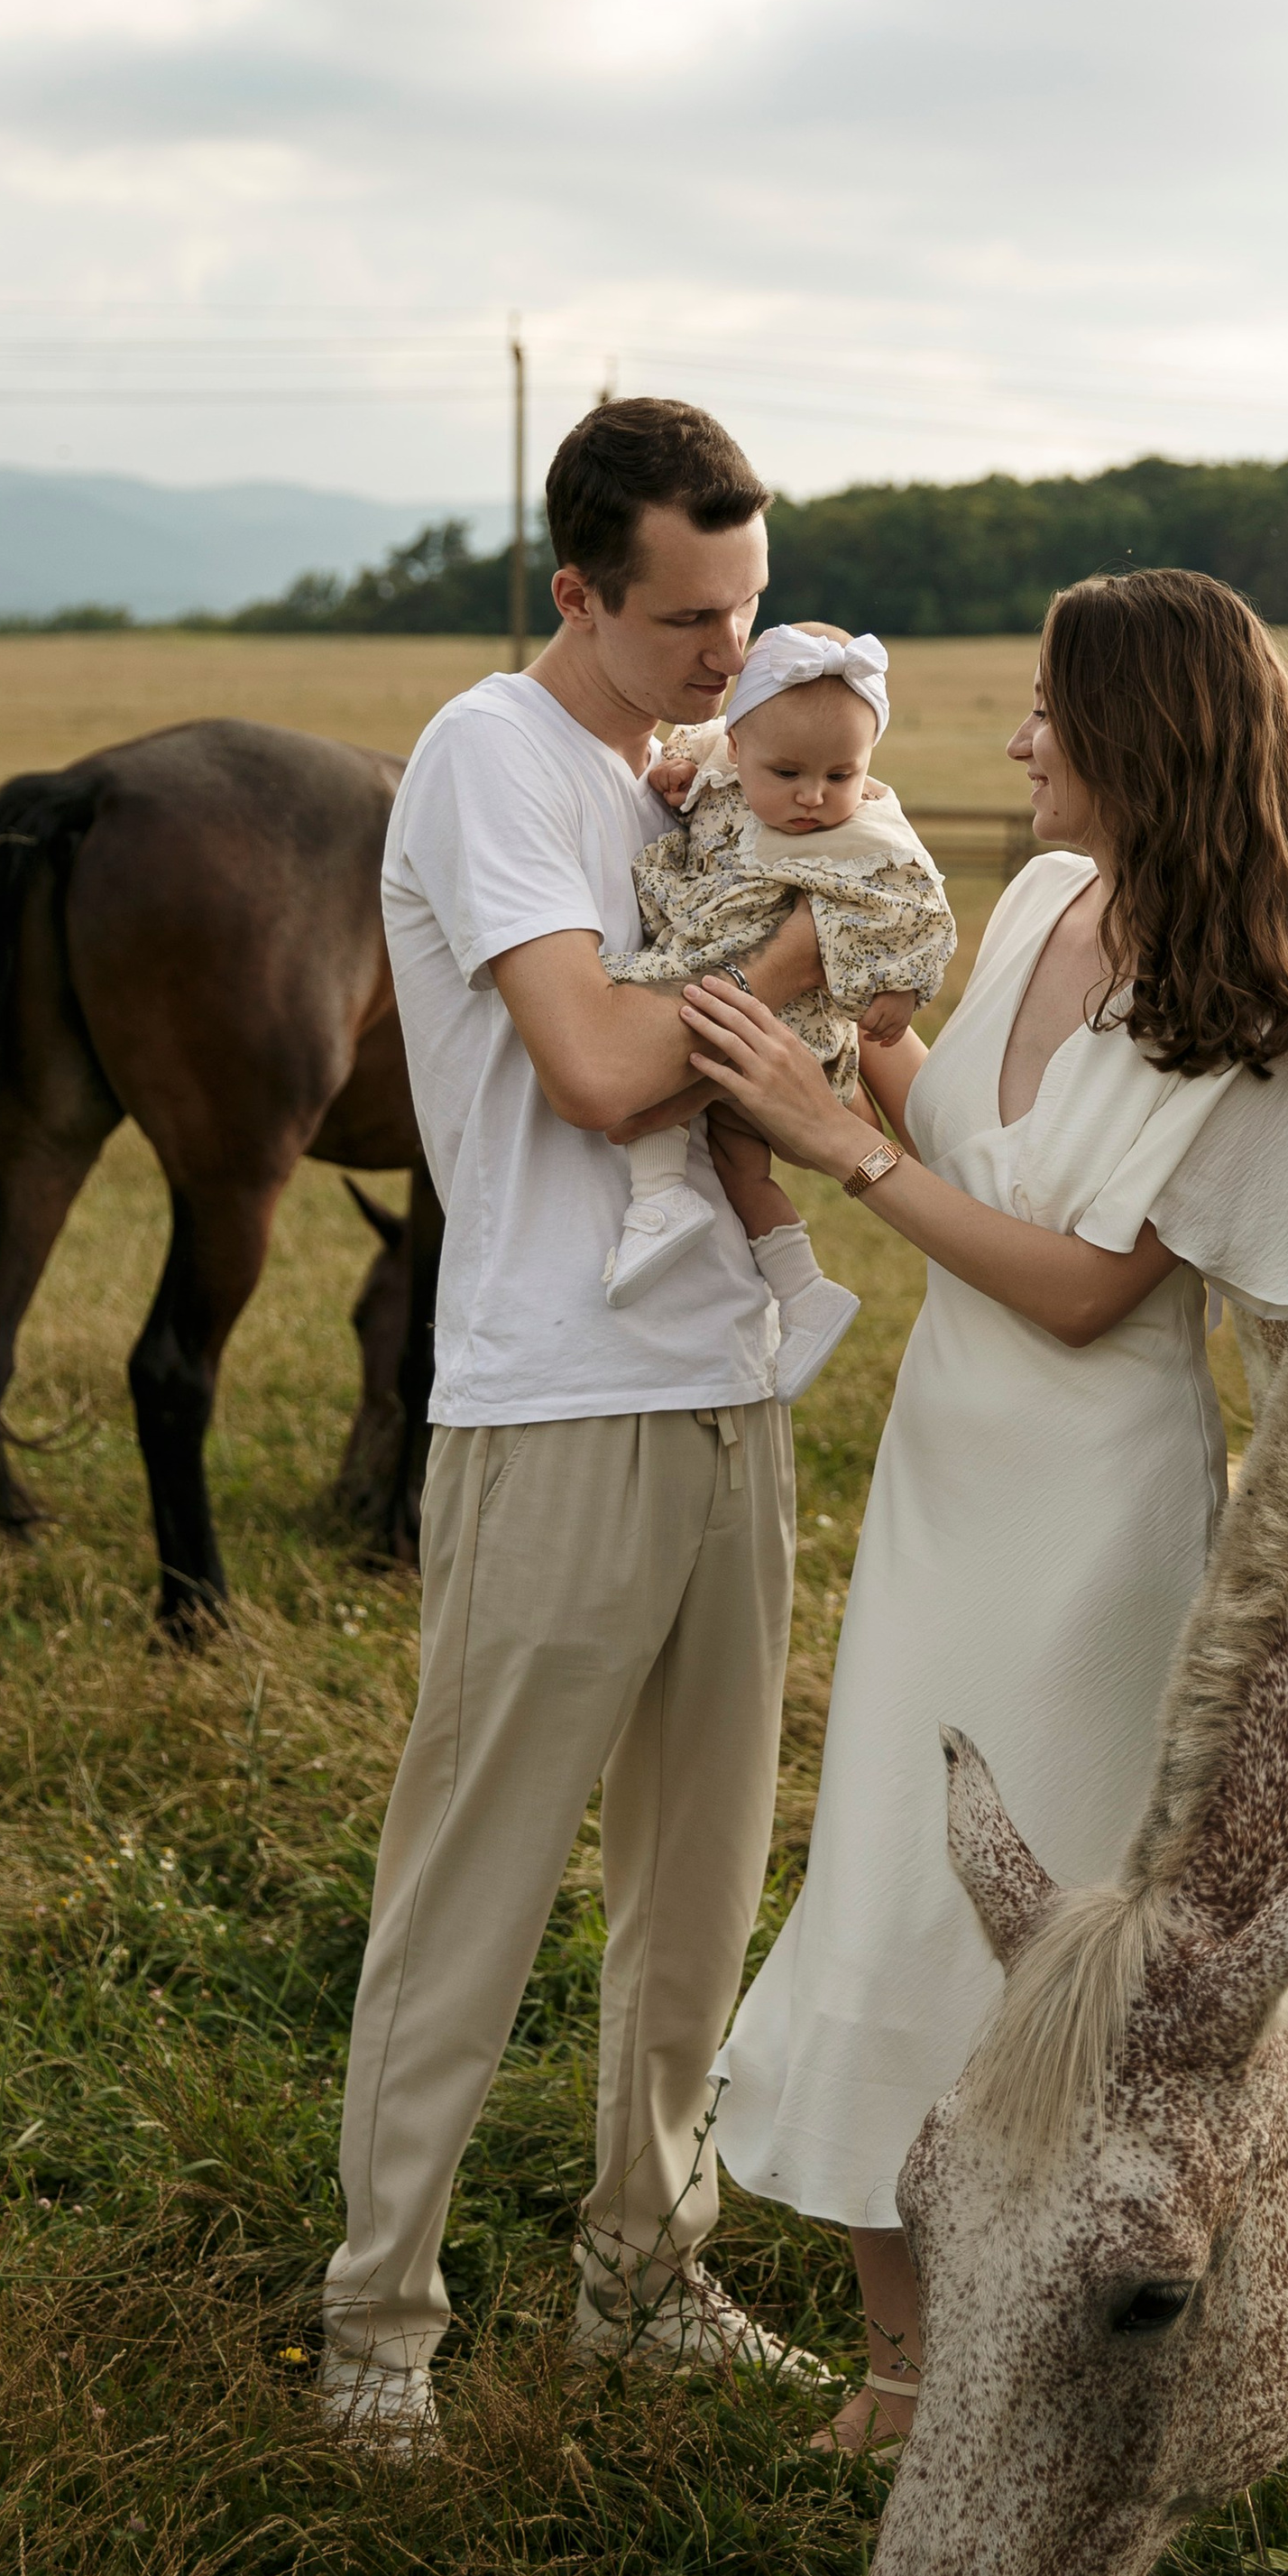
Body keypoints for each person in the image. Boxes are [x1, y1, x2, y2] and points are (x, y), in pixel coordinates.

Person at [685, 568, 1288, 2453]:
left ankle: (1039, 2350)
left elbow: (1084, 1287)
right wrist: (831, 1035)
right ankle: (897, 2360)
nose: (1014, 744)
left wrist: (831, 1146)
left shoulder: (1242, 1015)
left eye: (1048, 716)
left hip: (1089, 1520)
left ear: (1134, 741)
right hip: (940, 1466)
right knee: (887, 1884)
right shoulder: (1050, 902)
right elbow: (953, 1132)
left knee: (1029, 1935)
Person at [319, 397, 836, 2456]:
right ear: (578, 591)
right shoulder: (484, 759)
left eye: (753, 607)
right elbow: (604, 1070)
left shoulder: (672, 771)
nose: (733, 653)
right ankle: (378, 2327)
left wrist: (744, 835)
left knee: (697, 1882)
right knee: (477, 1876)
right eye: (693, 615)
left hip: (725, 1387)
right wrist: (825, 929)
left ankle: (646, 2266)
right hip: (554, 1393)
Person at [601, 621, 957, 1396]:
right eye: (788, 771)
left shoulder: (867, 829)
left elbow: (920, 904)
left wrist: (900, 988)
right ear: (740, 741)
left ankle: (657, 1198)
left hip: (790, 1038)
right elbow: (692, 749)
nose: (812, 796)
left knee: (648, 1045)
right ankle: (801, 1290)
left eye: (841, 773)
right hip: (738, 995)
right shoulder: (726, 757)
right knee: (735, 1158)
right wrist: (677, 771)